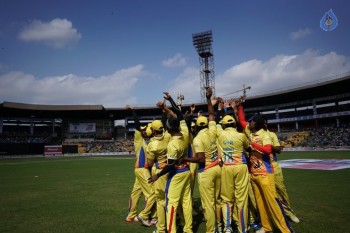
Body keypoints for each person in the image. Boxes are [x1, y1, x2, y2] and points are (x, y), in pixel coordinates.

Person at [237, 104, 294, 233]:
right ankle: (266, 227)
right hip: (254, 173)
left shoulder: (265, 134)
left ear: (256, 123)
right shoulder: (250, 133)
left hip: (265, 173)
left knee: (272, 202)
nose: (249, 123)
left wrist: (253, 144)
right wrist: (239, 107)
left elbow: (268, 150)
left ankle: (286, 230)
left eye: (251, 121)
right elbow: (241, 121)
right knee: (260, 202)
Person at [184, 87, 222, 233]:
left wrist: (186, 158)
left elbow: (200, 158)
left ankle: (212, 230)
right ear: (206, 123)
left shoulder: (198, 138)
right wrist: (208, 98)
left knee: (208, 204)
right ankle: (221, 224)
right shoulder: (212, 130)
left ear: (196, 128)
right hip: (217, 167)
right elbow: (212, 113)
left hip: (205, 171)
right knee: (218, 200)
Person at [149, 114, 193, 233]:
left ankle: (171, 230)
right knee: (186, 202)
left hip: (177, 173)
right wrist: (169, 102)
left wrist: (157, 175)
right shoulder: (184, 132)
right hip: (186, 171)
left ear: (169, 129)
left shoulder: (172, 144)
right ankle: (188, 229)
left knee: (171, 204)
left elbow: (170, 165)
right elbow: (180, 115)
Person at [216, 114, 251, 233]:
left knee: (226, 199)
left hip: (227, 167)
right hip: (241, 167)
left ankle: (227, 227)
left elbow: (214, 121)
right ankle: (243, 229)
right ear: (234, 124)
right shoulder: (241, 136)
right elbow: (248, 148)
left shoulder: (220, 135)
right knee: (241, 199)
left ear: (224, 125)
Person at [124, 105, 156, 226]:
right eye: (142, 129)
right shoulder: (139, 139)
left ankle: (130, 216)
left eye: (144, 129)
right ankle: (145, 216)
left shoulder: (149, 141)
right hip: (143, 170)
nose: (143, 130)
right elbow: (138, 125)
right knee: (151, 193)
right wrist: (133, 111)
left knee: (136, 192)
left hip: (140, 170)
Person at [265, 122, 300, 224]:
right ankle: (279, 214)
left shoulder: (271, 135)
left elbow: (279, 149)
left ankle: (289, 212)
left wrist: (268, 146)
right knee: (270, 194)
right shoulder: (252, 135)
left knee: (281, 190)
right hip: (260, 168)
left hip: (273, 165)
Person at [146, 117, 171, 233]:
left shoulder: (152, 145)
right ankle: (172, 222)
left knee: (160, 201)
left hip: (159, 172)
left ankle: (161, 228)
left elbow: (150, 162)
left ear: (153, 130)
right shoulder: (168, 136)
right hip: (171, 169)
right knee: (171, 198)